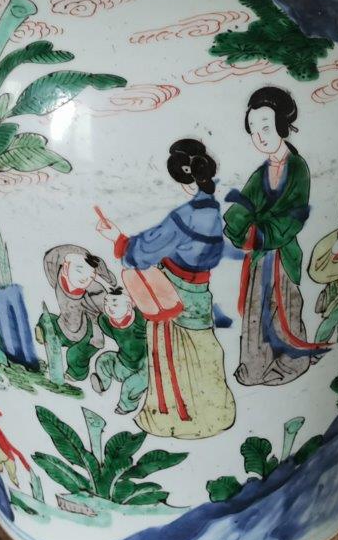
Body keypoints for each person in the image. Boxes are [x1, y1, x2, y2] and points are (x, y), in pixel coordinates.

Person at [95, 139, 236, 439]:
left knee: (173, 355)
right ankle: (214, 412)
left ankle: (178, 417)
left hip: (175, 293)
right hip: (199, 292)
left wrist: (118, 238)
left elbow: (143, 251)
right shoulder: (211, 210)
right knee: (202, 349)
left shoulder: (185, 217)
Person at [223, 87, 327, 387]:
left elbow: (295, 215)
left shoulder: (297, 167)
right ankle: (255, 367)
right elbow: (243, 205)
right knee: (257, 309)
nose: (260, 136)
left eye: (266, 127)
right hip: (260, 255)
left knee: (284, 308)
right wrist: (237, 227)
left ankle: (291, 363)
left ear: (282, 124)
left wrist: (261, 232)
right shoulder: (262, 172)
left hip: (282, 253)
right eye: (254, 129)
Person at [36, 245, 114, 385]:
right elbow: (51, 260)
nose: (85, 278)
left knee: (75, 356)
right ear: (65, 268)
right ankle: (44, 334)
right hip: (66, 325)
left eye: (91, 275)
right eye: (79, 270)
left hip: (89, 334)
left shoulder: (94, 291)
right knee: (47, 320)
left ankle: (76, 374)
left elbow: (106, 309)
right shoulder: (59, 278)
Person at [91, 290, 150, 416]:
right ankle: (102, 383)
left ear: (128, 307)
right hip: (124, 362)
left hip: (145, 366)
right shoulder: (106, 321)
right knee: (104, 360)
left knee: (129, 386)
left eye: (115, 304)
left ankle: (126, 406)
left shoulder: (140, 319)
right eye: (106, 303)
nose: (109, 308)